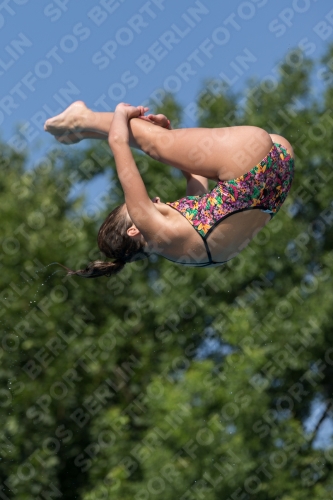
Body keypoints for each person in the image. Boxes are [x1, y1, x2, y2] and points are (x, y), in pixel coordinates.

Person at [44, 101, 294, 277]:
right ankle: (81, 119)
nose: (155, 199)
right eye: (146, 205)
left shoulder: (181, 247)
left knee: (160, 142)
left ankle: (81, 130)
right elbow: (119, 143)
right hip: (248, 166)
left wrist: (169, 133)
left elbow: (197, 177)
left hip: (278, 173)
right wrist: (122, 113)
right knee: (154, 146)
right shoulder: (149, 225)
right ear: (134, 229)